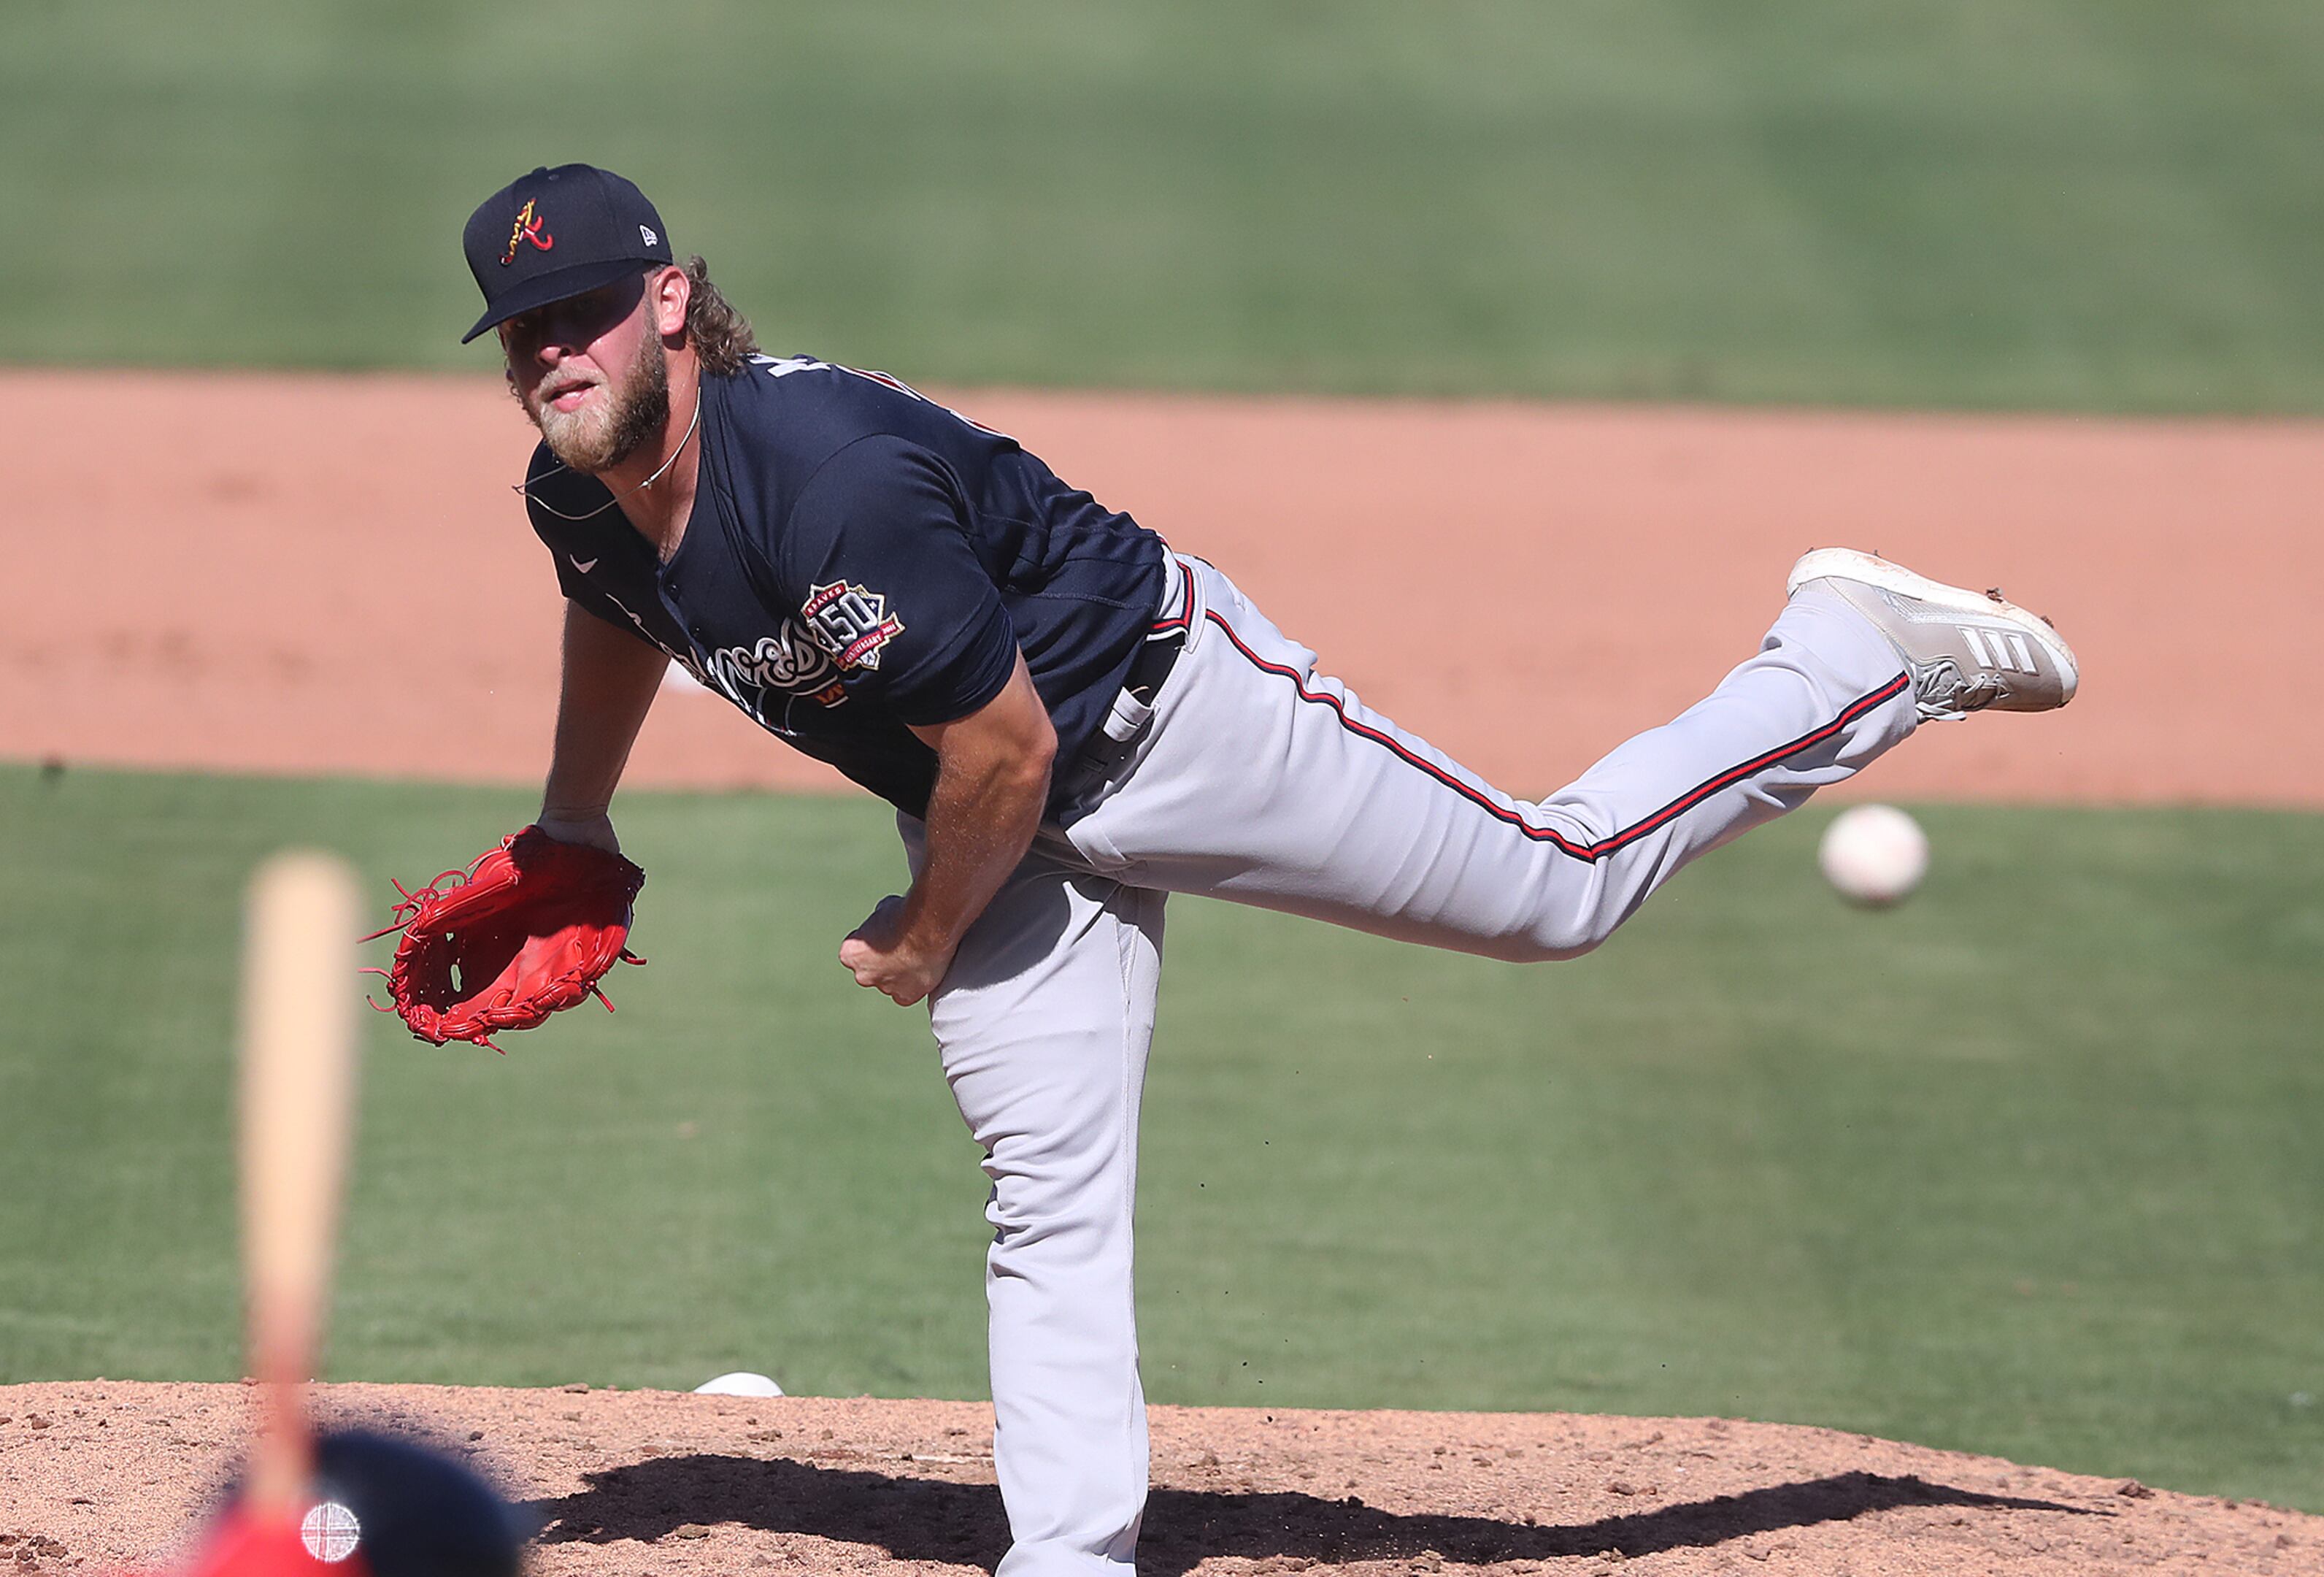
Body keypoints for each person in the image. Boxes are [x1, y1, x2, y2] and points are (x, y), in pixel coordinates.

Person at [458, 164, 2077, 1577]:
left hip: (1172, 726)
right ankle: (1072, 1558)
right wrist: (574, 820)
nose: (551, 352)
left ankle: (1850, 653)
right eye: (521, 329)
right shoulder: (578, 497)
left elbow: (1009, 753)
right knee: (1049, 1189)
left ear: (670, 303)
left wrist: (928, 936)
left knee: (1555, 886)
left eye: (580, 311)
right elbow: (622, 610)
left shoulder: (824, 479)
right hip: (990, 796)